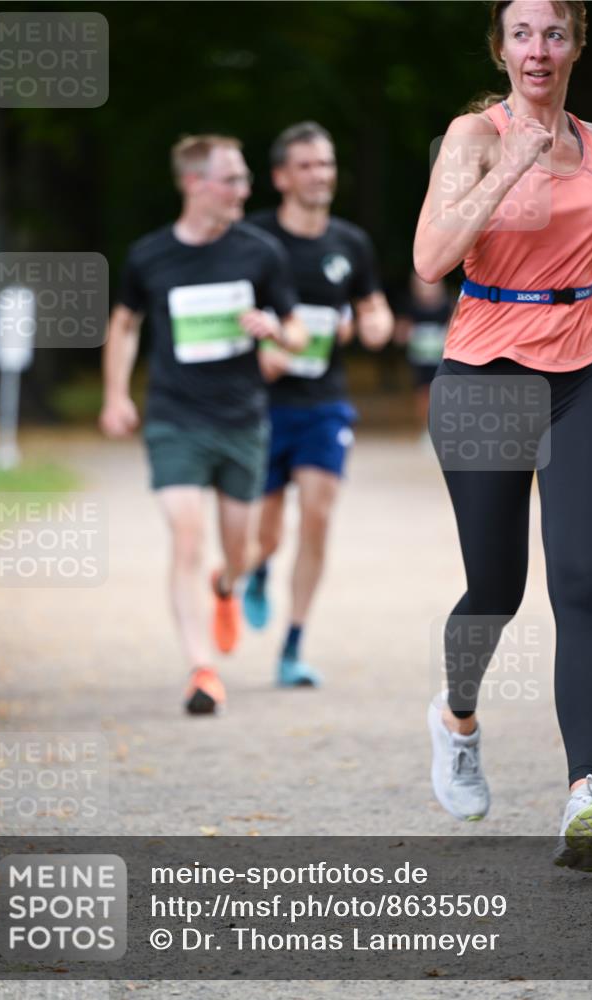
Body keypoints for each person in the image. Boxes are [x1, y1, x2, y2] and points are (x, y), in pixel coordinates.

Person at [414, 0, 592, 871]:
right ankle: (456, 718)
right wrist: (507, 173)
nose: (539, 50)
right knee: (495, 589)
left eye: (555, 33)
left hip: (583, 375)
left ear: (578, 43)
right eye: (522, 34)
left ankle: (584, 795)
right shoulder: (472, 136)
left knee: (582, 584)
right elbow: (430, 260)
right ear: (500, 49)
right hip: (484, 377)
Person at [99, 134, 306, 715]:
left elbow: (295, 334)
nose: (244, 189)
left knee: (240, 550)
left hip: (242, 420)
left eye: (244, 178)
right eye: (232, 179)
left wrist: (272, 329)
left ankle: (227, 585)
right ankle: (202, 670)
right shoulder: (149, 256)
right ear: (195, 183)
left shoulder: (260, 253)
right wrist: (116, 394)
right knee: (186, 535)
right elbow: (125, 324)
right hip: (175, 418)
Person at [244, 121, 393, 687]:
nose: (320, 175)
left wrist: (375, 324)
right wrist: (263, 350)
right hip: (262, 404)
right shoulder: (255, 238)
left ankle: (293, 645)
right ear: (281, 176)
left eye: (326, 164)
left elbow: (372, 306)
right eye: (306, 165)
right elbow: (233, 310)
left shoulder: (349, 243)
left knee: (318, 515)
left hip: (324, 403)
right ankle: (257, 569)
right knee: (267, 531)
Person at [394, 272, 453, 440]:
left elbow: (455, 327)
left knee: (444, 394)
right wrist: (406, 333)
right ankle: (428, 429)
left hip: (441, 359)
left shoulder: (447, 306)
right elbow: (400, 333)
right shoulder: (410, 307)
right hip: (420, 360)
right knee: (423, 395)